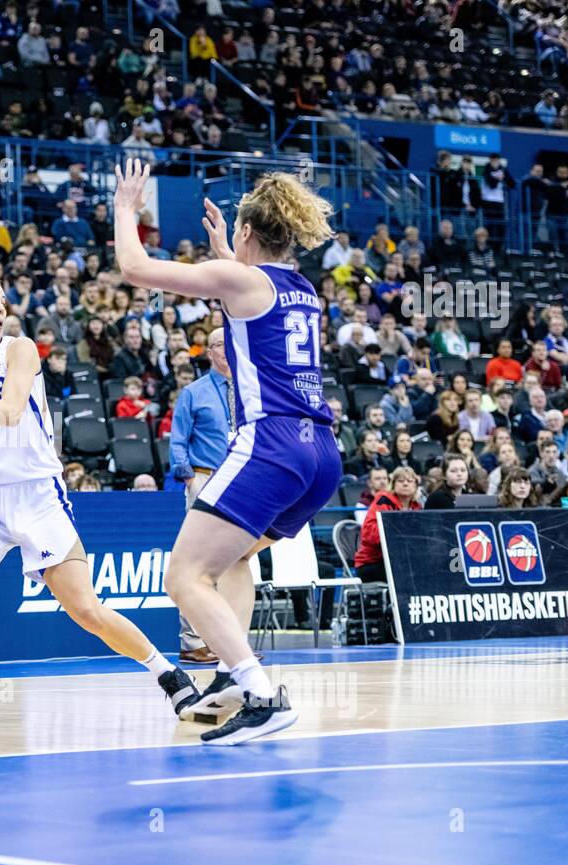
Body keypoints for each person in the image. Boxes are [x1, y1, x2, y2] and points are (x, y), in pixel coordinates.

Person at [0, 272, 203, 732]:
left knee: (86, 610)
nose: (0, 306)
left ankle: (170, 676)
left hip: (39, 495)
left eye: (2, 299)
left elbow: (8, 412)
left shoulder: (20, 349)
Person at [114, 160, 344, 744]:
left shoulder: (241, 280)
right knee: (234, 560)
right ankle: (234, 678)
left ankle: (263, 694)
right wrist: (226, 252)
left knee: (184, 576)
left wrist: (125, 209)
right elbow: (250, 306)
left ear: (246, 233)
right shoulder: (303, 288)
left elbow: (133, 267)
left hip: (270, 444)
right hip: (320, 452)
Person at [167, 326, 236, 663]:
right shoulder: (193, 392)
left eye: (232, 344)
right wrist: (190, 478)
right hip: (207, 480)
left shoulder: (250, 391)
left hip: (241, 482)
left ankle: (230, 644)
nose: (228, 350)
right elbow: (177, 440)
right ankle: (193, 642)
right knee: (198, 563)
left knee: (234, 562)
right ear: (209, 352)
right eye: (222, 345)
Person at [353, 467, 420, 581]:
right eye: (400, 481)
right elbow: (369, 533)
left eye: (409, 481)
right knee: (407, 570)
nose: (405, 484)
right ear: (393, 484)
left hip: (402, 560)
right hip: (372, 563)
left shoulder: (416, 507)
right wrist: (396, 536)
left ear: (416, 486)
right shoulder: (383, 501)